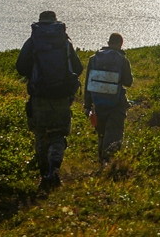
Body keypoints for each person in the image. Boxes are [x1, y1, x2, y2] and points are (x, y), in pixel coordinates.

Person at [16, 11, 83, 189]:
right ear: (56, 22)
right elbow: (78, 68)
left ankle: (44, 176)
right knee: (58, 134)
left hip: (39, 96)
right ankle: (54, 170)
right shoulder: (65, 42)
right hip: (61, 96)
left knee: (41, 135)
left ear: (39, 22)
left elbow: (20, 67)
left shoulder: (33, 41)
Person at [83, 33, 133, 164]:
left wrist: (87, 105)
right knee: (114, 132)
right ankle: (109, 163)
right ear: (121, 44)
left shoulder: (93, 59)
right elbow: (128, 82)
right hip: (116, 104)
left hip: (98, 103)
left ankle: (101, 161)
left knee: (101, 133)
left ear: (108, 42)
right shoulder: (122, 60)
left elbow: (88, 84)